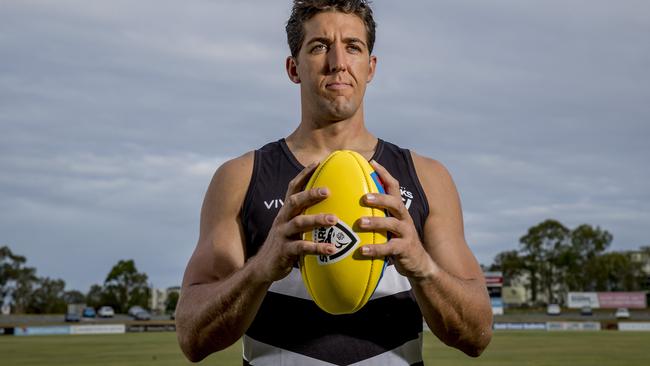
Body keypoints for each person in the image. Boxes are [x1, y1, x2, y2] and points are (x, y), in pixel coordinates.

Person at [176, 1, 493, 365]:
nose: (338, 62)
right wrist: (261, 268)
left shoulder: (426, 177)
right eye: (319, 46)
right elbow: (192, 338)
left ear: (370, 67)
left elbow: (476, 336)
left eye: (353, 47)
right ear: (293, 68)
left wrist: (421, 265)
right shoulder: (241, 177)